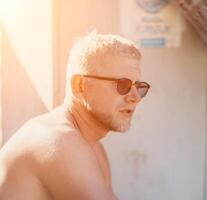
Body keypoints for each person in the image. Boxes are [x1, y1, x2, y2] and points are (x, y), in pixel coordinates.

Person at [0, 31, 150, 200]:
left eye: (139, 86)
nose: (135, 97)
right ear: (80, 86)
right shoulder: (60, 141)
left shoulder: (92, 147)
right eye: (123, 84)